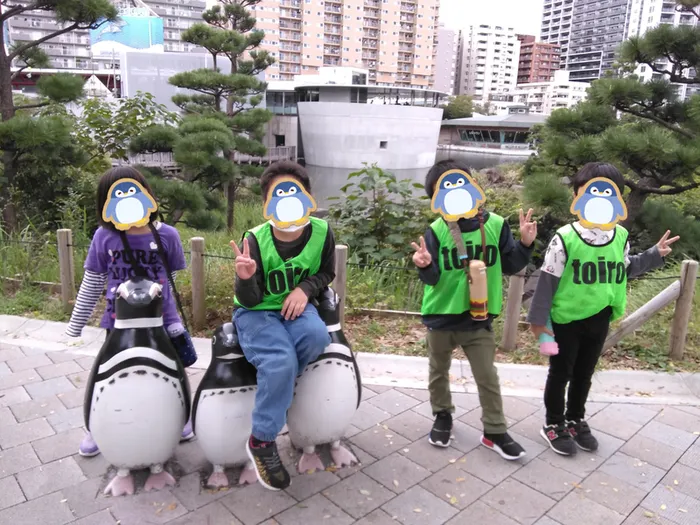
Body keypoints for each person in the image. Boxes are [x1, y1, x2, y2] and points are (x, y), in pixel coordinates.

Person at [528, 162, 679, 456]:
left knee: (585, 373)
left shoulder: (619, 236)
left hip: (600, 315)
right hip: (566, 317)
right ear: (578, 196)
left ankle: (575, 419)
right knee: (561, 373)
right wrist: (538, 321)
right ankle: (553, 423)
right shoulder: (565, 237)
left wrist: (653, 255)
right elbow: (547, 280)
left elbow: (623, 268)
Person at [65, 166, 196, 457]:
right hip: (117, 323)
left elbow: (174, 274)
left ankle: (181, 416)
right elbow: (93, 280)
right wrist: (76, 325)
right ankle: (96, 427)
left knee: (173, 371)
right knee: (107, 374)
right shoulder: (104, 237)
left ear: (147, 196)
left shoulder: (168, 235)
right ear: (106, 204)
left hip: (164, 320)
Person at [412, 159, 537, 460]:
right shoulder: (437, 230)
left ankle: (494, 430)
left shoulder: (495, 225)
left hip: (479, 318)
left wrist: (525, 244)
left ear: (474, 186)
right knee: (437, 371)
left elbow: (511, 265)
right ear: (436, 199)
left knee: (487, 376)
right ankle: (443, 416)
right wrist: (425, 265)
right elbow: (433, 279)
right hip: (442, 314)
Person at [231, 160, 335, 491]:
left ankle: (279, 387)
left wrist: (305, 290)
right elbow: (248, 300)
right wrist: (244, 278)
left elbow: (326, 272)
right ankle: (261, 439)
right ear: (268, 203)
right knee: (280, 360)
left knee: (318, 336)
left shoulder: (321, 232)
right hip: (257, 311)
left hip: (295, 306)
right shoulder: (256, 240)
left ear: (307, 197)